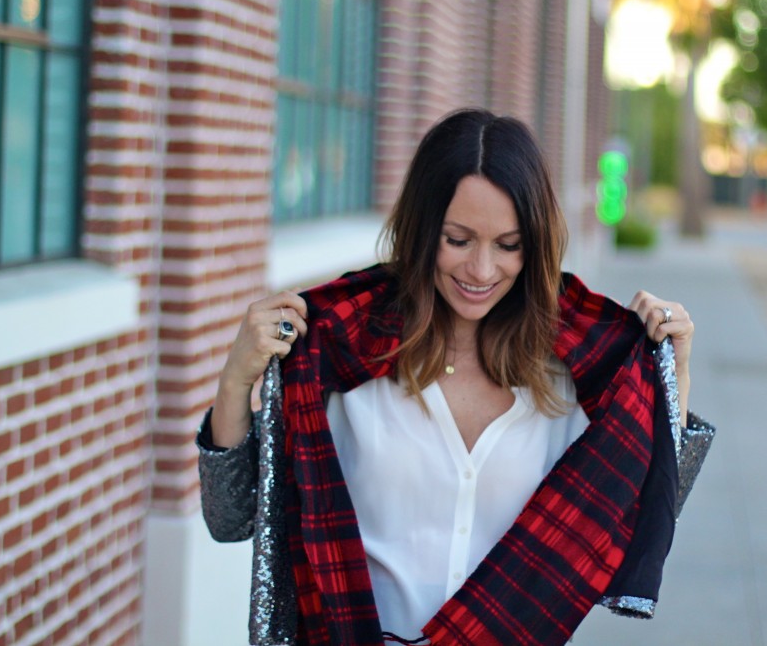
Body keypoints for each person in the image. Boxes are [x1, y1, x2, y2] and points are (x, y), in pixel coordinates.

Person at [197, 108, 701, 646]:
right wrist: (236, 381)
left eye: (508, 245)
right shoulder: (337, 360)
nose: (481, 271)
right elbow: (231, 519)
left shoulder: (578, 378)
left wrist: (672, 373)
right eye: (458, 240)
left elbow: (646, 510)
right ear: (421, 230)